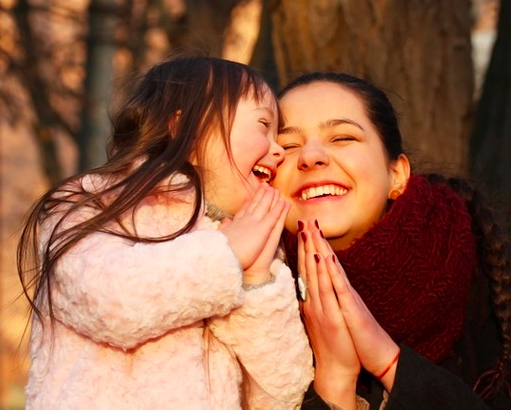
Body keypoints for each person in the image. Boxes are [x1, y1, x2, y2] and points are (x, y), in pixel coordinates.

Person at [17, 56, 313, 409]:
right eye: (263, 125)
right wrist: (226, 256)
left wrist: (257, 281)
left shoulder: (253, 245)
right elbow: (115, 302)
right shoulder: (93, 205)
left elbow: (283, 393)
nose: (278, 149)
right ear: (187, 128)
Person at [271, 72, 511, 409]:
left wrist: (388, 362)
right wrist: (335, 380)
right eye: (287, 146)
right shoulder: (251, 295)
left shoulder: (484, 265)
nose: (310, 156)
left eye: (342, 138)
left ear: (396, 175)